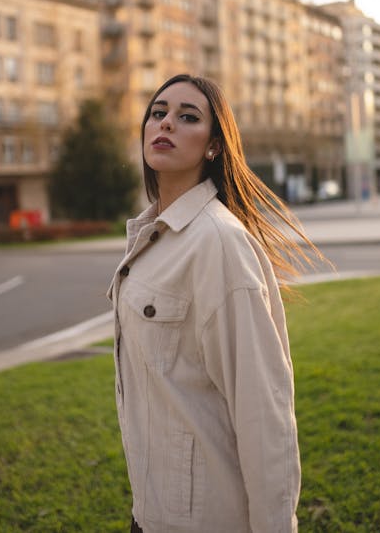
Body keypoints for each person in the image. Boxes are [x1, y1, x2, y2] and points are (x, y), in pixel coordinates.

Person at [107, 74, 322, 533]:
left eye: (187, 117)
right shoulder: (152, 236)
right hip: (151, 513)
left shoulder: (220, 244)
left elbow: (265, 413)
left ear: (213, 147)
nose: (165, 123)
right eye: (158, 112)